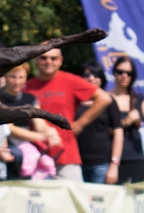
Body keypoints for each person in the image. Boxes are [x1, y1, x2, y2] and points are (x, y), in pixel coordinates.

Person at [24, 46, 111, 182]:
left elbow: (104, 98)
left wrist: (80, 123)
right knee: (39, 202)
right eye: (43, 57)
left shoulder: (70, 81)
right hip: (35, 157)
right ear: (36, 59)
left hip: (66, 155)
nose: (48, 61)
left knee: (72, 200)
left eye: (53, 58)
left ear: (60, 61)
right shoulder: (26, 87)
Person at [109, 56, 144, 184]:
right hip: (112, 160)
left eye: (129, 73)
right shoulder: (105, 98)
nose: (124, 76)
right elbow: (102, 132)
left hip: (136, 158)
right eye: (120, 72)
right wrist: (126, 122)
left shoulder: (138, 99)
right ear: (114, 72)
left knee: (138, 201)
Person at [75, 60, 123, 184]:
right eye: (87, 75)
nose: (91, 78)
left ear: (102, 78)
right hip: (75, 164)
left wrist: (114, 164)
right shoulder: (73, 102)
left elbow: (118, 132)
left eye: (96, 75)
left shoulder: (109, 101)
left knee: (99, 202)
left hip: (101, 164)